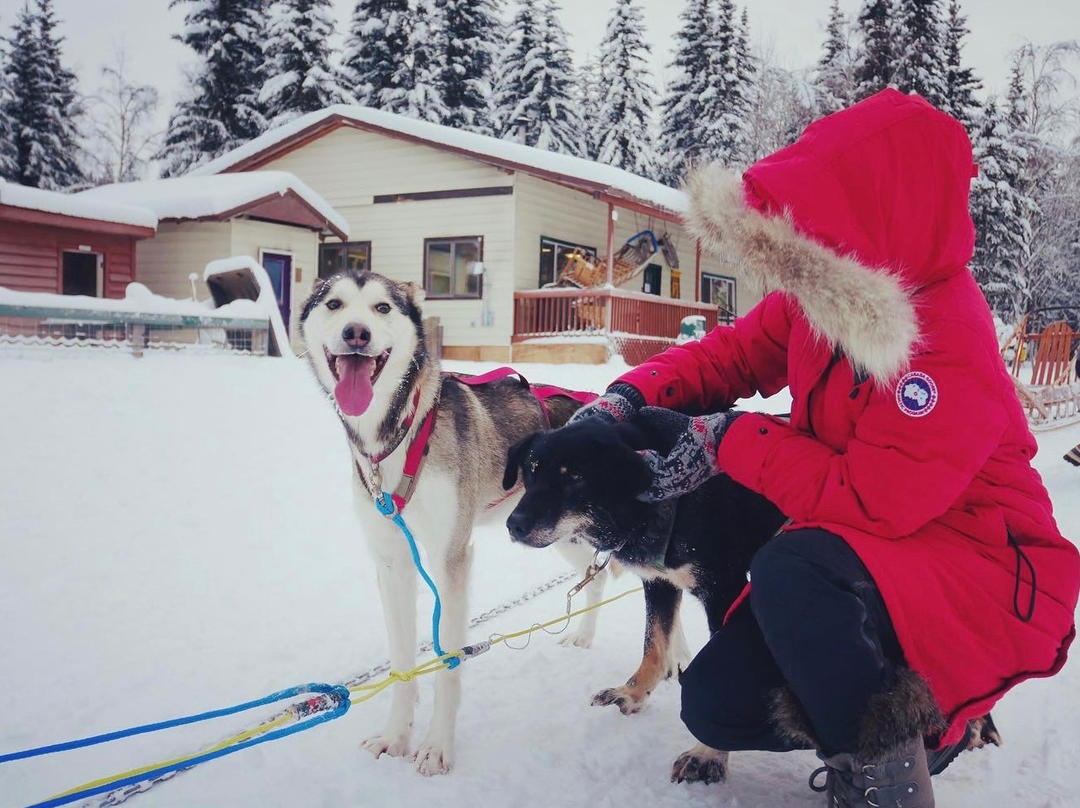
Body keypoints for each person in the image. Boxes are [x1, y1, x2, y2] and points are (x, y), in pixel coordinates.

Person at [571, 89, 1079, 808]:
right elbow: (728, 358)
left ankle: (902, 760)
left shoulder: (944, 335)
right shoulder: (824, 300)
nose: (795, 253)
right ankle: (859, 697)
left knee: (793, 563)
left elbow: (877, 498)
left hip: (983, 565)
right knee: (713, 703)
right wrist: (627, 397)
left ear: (870, 223)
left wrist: (728, 438)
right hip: (873, 562)